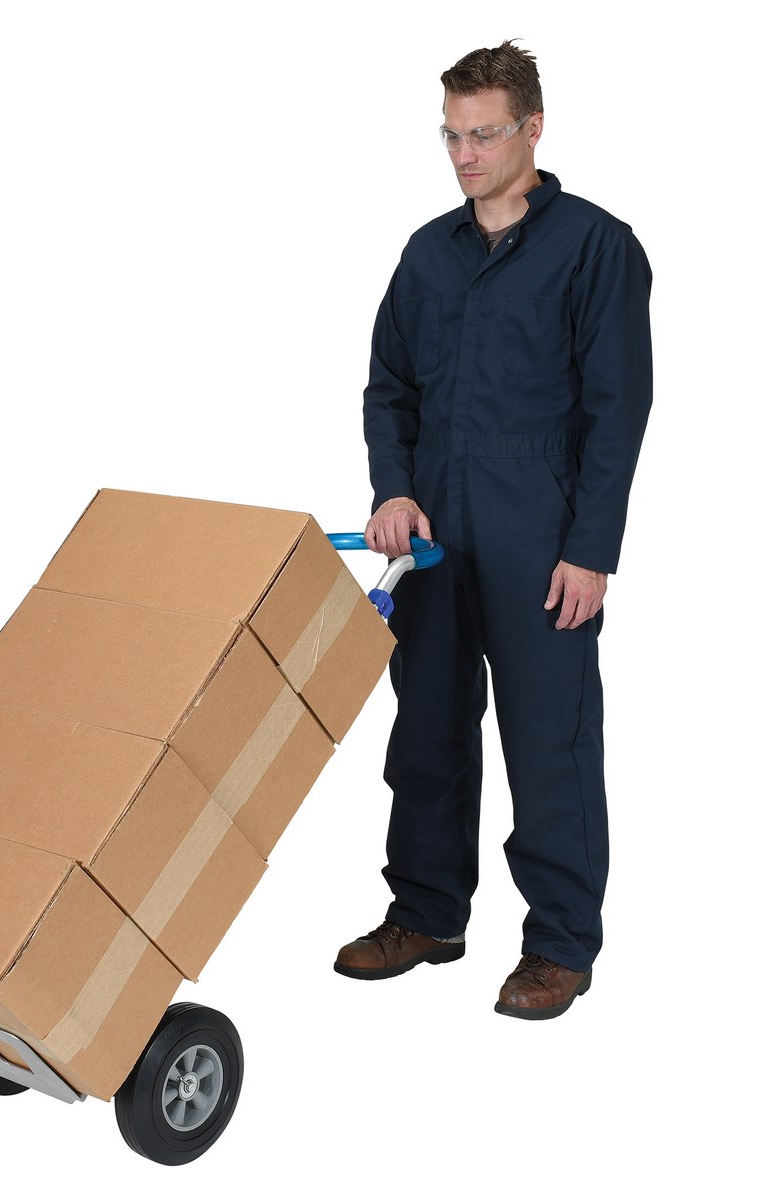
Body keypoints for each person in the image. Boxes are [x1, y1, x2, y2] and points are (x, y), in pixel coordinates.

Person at [335, 41, 652, 1019]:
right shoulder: (426, 253)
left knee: (549, 745)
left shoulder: (595, 246)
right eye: (451, 136)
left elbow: (617, 409)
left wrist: (590, 549)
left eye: (482, 135)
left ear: (532, 128)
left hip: (539, 540)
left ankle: (557, 945)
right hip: (432, 539)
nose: (464, 156)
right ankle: (426, 915)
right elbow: (388, 389)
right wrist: (393, 491)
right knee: (425, 734)